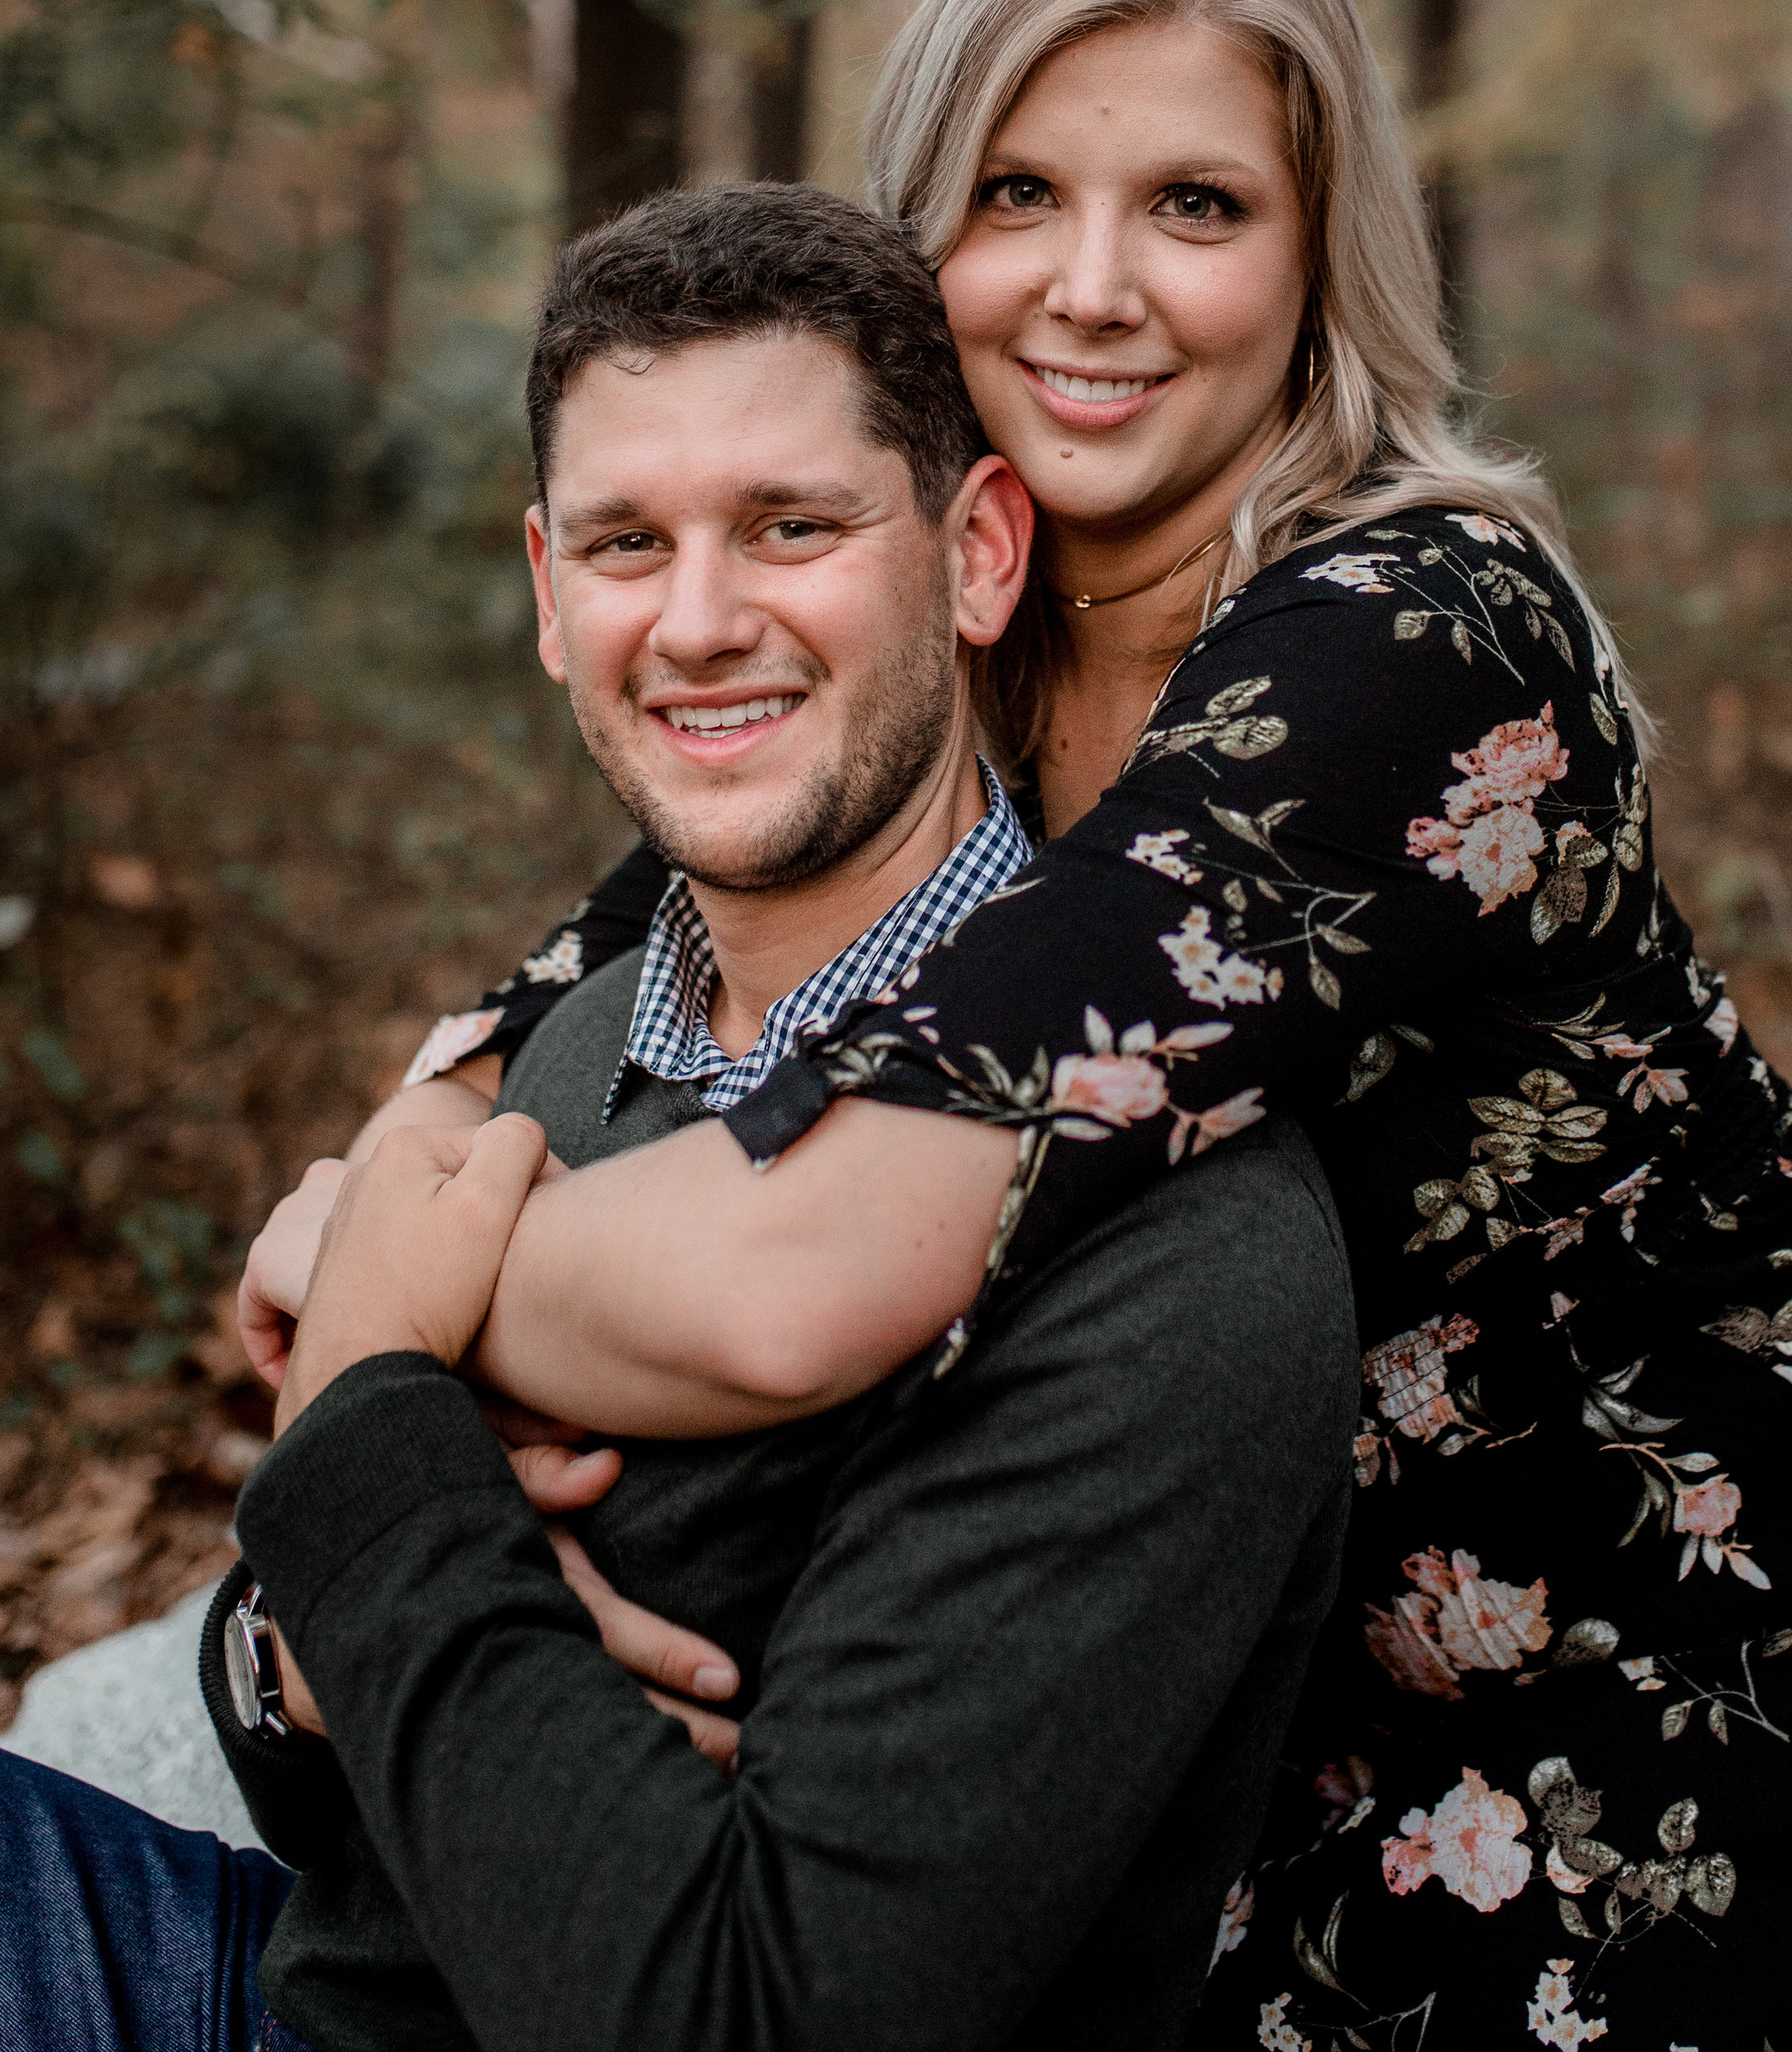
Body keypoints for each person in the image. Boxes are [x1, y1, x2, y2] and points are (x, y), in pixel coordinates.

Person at [318, 0, 1792, 2048]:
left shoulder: (1411, 637)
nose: (1091, 288)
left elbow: (789, 1275)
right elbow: (524, 1034)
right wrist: (382, 1204)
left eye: (1196, 205)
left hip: (1759, 1657)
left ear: (1316, 255)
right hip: (1315, 1694)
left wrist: (390, 1314)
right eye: (1016, 191)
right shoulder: (955, 640)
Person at [0, 180, 1355, 2052]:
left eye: (791, 528)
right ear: (552, 596)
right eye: (628, 544)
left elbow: (740, 2015)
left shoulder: (1165, 1238)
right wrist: (315, 1652)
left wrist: (377, 1429)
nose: (700, 622)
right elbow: (325, 1763)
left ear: (974, 556)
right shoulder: (563, 1058)